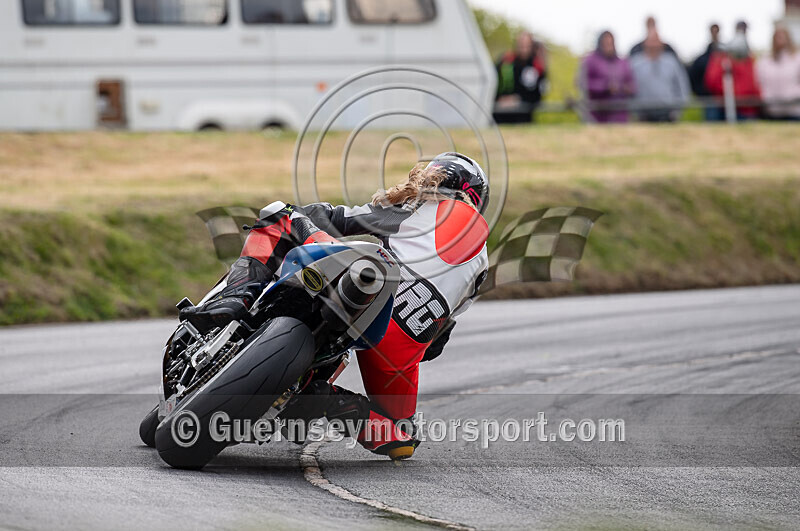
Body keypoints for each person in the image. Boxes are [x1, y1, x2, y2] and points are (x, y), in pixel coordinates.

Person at [181, 153, 490, 460]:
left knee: (279, 213)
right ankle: (329, 401)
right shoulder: (482, 265)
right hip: (393, 348)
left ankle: (236, 296)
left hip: (365, 283)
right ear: (477, 198)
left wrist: (307, 218)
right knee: (401, 435)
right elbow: (436, 344)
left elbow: (334, 219)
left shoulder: (423, 206)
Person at [705, 21, 761, 120]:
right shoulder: (722, 59)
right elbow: (712, 81)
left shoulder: (750, 61)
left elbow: (753, 84)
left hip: (746, 109)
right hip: (722, 107)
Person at [630, 30, 691, 122]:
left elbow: (683, 86)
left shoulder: (672, 62)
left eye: (656, 41)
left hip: (668, 113)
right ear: (645, 44)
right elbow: (630, 87)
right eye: (651, 41)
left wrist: (678, 111)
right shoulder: (635, 63)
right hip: (643, 114)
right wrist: (635, 112)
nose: (654, 45)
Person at [579, 30, 636, 123]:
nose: (608, 46)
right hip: (597, 115)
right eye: (605, 43)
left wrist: (626, 88)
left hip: (620, 115)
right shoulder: (590, 61)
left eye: (611, 43)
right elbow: (582, 83)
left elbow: (632, 85)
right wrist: (605, 87)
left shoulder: (623, 63)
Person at [494, 31, 548, 123]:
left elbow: (538, 96)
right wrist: (501, 99)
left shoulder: (537, 67)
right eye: (521, 44)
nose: (523, 48)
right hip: (500, 117)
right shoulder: (505, 61)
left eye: (527, 45)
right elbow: (492, 82)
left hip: (523, 119)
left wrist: (518, 99)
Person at [756, 26, 800, 120]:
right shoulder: (764, 60)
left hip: (794, 110)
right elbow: (758, 82)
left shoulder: (797, 59)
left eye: (783, 36)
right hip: (772, 111)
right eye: (778, 37)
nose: (780, 40)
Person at [689, 23, 724, 121]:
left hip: (725, 99)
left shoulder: (726, 57)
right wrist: (702, 94)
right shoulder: (702, 60)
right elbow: (693, 78)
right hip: (710, 100)